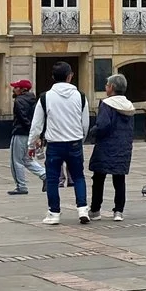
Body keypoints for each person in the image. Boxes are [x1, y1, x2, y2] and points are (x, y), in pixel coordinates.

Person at [34, 62, 87, 225]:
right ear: (70, 76)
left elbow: (36, 124)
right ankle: (82, 210)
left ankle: (54, 213)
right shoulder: (80, 96)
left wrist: (31, 144)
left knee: (52, 179)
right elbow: (85, 123)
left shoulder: (45, 97)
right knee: (78, 176)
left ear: (53, 78)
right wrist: (81, 138)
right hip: (74, 142)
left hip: (54, 144)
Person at [82, 72, 137, 223]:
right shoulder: (129, 106)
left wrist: (93, 132)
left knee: (98, 178)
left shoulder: (107, 104)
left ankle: (95, 209)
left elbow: (104, 125)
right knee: (119, 179)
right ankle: (118, 211)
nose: (105, 87)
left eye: (106, 85)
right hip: (123, 146)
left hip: (106, 146)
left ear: (111, 87)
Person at [7, 79, 40, 195]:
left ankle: (21, 186)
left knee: (15, 161)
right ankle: (44, 174)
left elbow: (22, 117)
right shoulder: (34, 99)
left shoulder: (19, 101)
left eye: (16, 87)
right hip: (30, 133)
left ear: (22, 89)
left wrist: (28, 129)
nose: (14, 89)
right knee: (27, 159)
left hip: (20, 132)